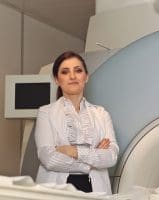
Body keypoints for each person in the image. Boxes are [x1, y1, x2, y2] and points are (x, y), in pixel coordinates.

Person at [35, 51, 119, 194]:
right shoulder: (46, 113)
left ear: (86, 77)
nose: (72, 76)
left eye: (78, 70)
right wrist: (92, 160)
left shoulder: (101, 114)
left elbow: (111, 156)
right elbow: (48, 158)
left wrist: (72, 150)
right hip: (57, 190)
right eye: (65, 72)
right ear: (57, 79)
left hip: (95, 188)